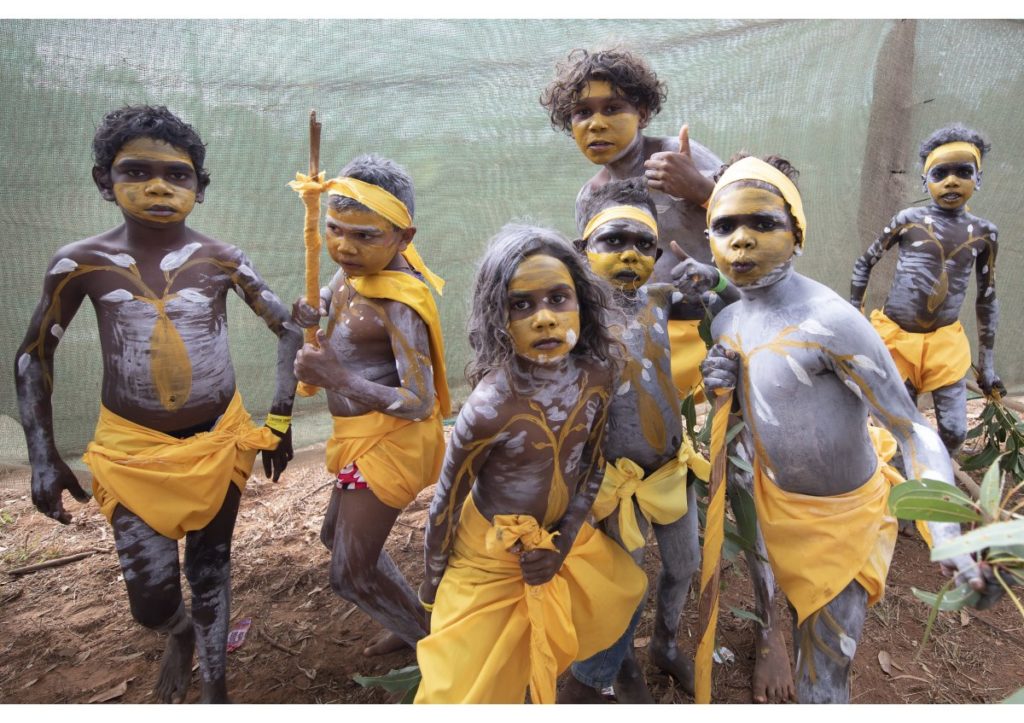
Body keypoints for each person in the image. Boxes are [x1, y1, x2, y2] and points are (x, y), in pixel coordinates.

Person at [13, 105, 300, 703]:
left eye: (178, 174)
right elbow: (32, 357)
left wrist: (281, 419)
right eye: (136, 171)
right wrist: (42, 453)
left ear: (200, 185)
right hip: (131, 451)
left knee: (211, 568)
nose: (159, 186)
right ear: (104, 181)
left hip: (217, 441)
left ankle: (216, 693)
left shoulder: (223, 258)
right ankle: (177, 634)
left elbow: (291, 332)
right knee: (152, 601)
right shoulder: (81, 263)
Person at [699, 153, 992, 702]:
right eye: (725, 226)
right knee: (796, 617)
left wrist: (946, 531)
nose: (742, 240)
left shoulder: (830, 323)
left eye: (763, 223)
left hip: (841, 524)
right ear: (708, 238)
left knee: (822, 684)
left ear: (797, 233)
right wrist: (722, 381)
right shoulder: (727, 321)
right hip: (776, 508)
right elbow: (751, 410)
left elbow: (912, 429)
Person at [414, 224, 647, 704]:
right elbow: (445, 501)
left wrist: (561, 546)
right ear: (496, 317)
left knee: (622, 592)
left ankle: (586, 686)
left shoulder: (599, 375)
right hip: (489, 559)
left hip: (562, 538)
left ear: (582, 302)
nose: (544, 318)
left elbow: (592, 466)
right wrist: (432, 589)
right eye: (521, 305)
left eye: (558, 298)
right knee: (472, 688)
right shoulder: (489, 408)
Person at [290, 154, 450, 658]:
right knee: (332, 536)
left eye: (364, 235)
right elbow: (342, 306)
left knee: (349, 572)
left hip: (391, 442)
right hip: (360, 439)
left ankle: (437, 655)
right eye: (335, 229)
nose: (343, 246)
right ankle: (409, 623)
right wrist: (312, 305)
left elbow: (420, 400)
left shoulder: (400, 303)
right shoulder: (352, 272)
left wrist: (336, 378)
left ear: (404, 238)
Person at [541, 46, 721, 402]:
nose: (596, 123)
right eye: (581, 113)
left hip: (715, 325)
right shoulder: (590, 198)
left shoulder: (677, 156)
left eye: (612, 108)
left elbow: (751, 217)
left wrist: (701, 189)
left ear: (642, 111)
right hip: (648, 337)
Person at [850, 124, 1003, 456]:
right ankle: (903, 493)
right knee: (902, 427)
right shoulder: (908, 221)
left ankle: (935, 480)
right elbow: (864, 264)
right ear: (925, 181)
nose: (951, 181)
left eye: (963, 172)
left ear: (979, 179)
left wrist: (986, 365)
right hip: (897, 341)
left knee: (955, 431)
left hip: (944, 345)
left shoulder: (983, 233)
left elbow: (987, 298)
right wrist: (855, 320)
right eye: (940, 173)